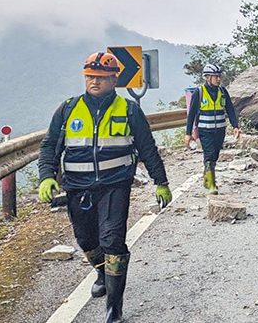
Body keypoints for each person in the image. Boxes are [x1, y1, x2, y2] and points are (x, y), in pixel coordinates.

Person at [37, 51, 172, 323]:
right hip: (77, 188)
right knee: (87, 240)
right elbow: (49, 145)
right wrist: (46, 176)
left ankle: (114, 307)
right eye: (89, 77)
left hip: (115, 186)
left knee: (112, 240)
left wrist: (161, 182)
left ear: (114, 79)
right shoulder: (67, 109)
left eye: (100, 78)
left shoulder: (129, 109)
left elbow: (147, 148)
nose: (93, 82)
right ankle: (101, 271)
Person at [184, 64, 240, 194]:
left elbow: (230, 109)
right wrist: (188, 133)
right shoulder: (199, 92)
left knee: (215, 155)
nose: (218, 79)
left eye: (219, 76)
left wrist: (235, 126)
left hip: (220, 130)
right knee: (208, 154)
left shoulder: (222, 91)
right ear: (207, 77)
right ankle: (211, 184)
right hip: (205, 130)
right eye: (216, 77)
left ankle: (207, 178)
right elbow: (191, 114)